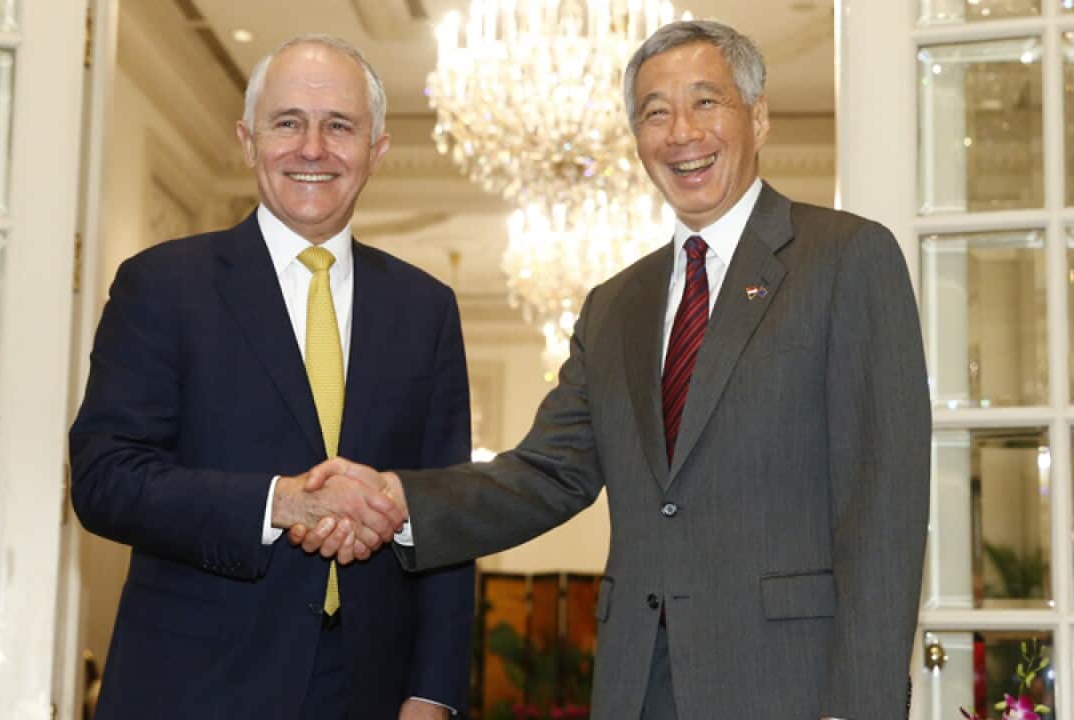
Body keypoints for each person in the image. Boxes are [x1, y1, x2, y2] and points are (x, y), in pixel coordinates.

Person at [298, 20, 930, 720]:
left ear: (758, 116)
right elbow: (548, 474)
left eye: (705, 102)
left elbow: (884, 505)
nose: (680, 133)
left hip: (791, 684)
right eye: (654, 112)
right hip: (636, 683)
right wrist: (394, 499)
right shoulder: (615, 304)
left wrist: (864, 706)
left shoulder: (847, 258)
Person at [69, 34, 474, 720]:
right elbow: (105, 480)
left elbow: (449, 514)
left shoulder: (427, 309)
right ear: (248, 140)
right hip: (192, 689)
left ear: (374, 150)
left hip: (371, 694)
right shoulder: (161, 286)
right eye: (287, 122)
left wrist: (432, 693)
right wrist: (282, 504)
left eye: (338, 126)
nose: (312, 148)